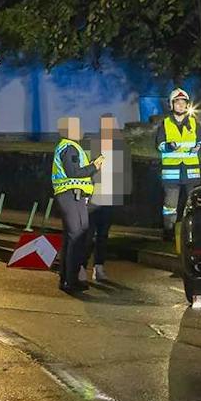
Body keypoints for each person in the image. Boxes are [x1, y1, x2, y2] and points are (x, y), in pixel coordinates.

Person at [51, 115, 104, 294]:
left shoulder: (71, 147)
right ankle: (71, 279)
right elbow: (73, 172)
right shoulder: (69, 147)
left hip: (73, 196)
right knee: (77, 235)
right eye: (77, 126)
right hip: (71, 195)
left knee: (72, 237)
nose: (81, 129)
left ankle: (67, 277)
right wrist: (94, 167)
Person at [155, 88, 201, 238]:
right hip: (171, 173)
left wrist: (200, 146)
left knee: (192, 204)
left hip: (191, 172)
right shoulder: (165, 124)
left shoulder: (193, 122)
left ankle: (191, 231)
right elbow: (159, 145)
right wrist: (169, 146)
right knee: (170, 206)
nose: (181, 106)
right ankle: (169, 231)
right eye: (177, 103)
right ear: (172, 105)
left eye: (183, 103)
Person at [88, 114, 131, 282]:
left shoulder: (119, 149)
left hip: (109, 199)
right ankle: (82, 267)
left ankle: (98, 267)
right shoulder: (92, 147)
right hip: (93, 199)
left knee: (102, 236)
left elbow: (124, 175)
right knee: (88, 235)